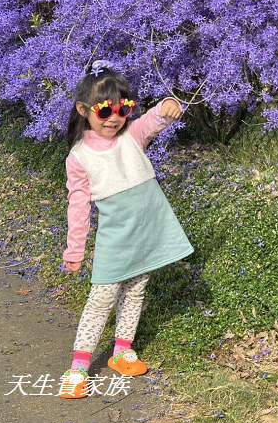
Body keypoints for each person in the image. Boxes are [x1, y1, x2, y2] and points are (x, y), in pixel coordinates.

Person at [58, 59, 193, 399]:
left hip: (147, 233)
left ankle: (121, 350)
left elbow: (153, 120)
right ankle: (78, 367)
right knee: (101, 299)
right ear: (84, 110)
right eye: (105, 110)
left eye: (123, 108)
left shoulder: (131, 137)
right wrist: (75, 250)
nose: (115, 117)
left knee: (136, 290)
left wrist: (167, 106)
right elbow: (78, 207)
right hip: (116, 240)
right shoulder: (80, 157)